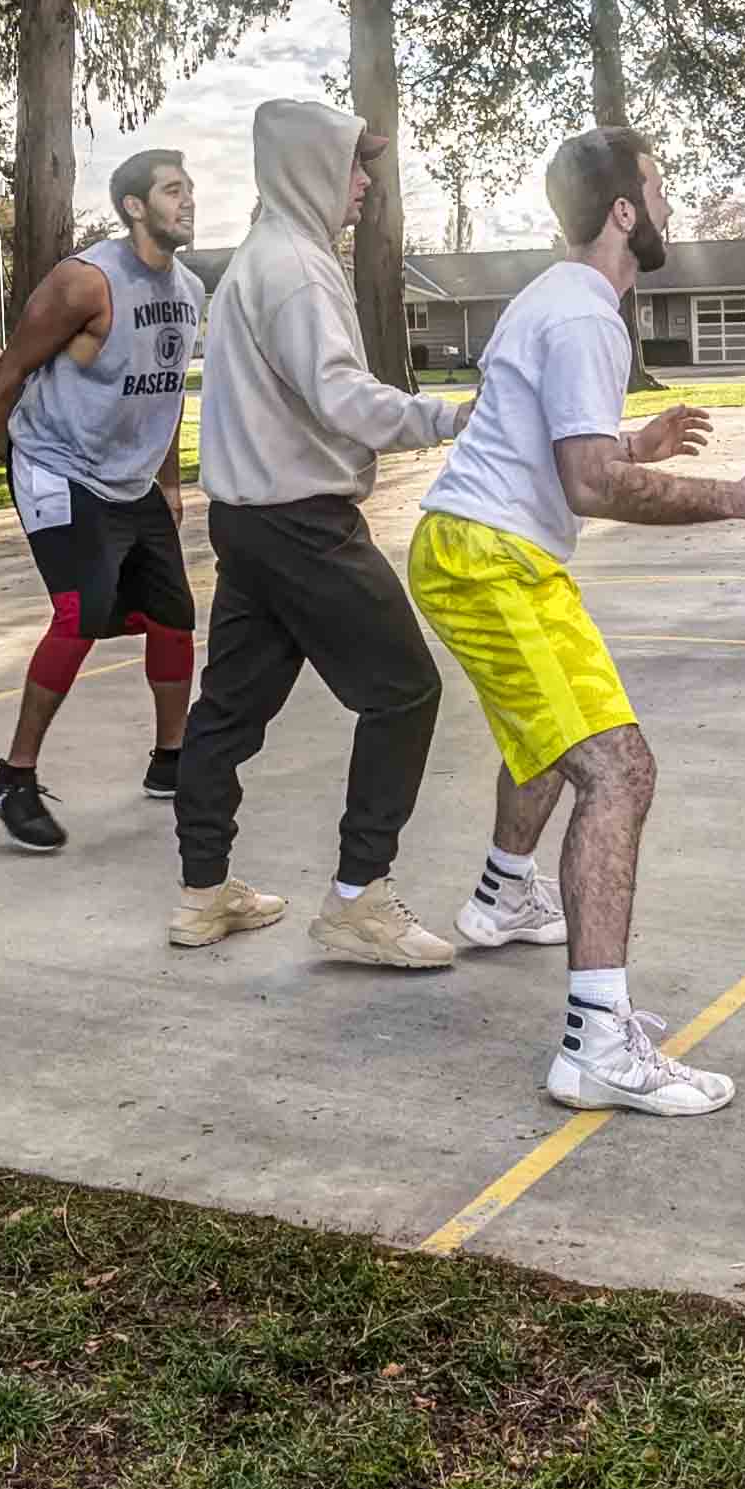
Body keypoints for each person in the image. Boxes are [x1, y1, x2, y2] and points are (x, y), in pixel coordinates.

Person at [412, 124, 745, 1115]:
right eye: (657, 187)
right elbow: (594, 483)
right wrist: (731, 497)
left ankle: (499, 896)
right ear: (622, 211)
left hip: (485, 551)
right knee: (617, 769)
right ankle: (595, 1044)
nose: (669, 204)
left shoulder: (567, 301)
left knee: (559, 739)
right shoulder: (582, 316)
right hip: (489, 560)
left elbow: (572, 444)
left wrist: (639, 436)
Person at [162, 99, 475, 966]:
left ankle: (201, 892)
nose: (367, 181)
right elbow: (344, 398)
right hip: (303, 525)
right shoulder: (295, 269)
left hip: (249, 523)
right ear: (308, 171)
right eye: (353, 165)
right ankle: (358, 899)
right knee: (404, 691)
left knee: (226, 713)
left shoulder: (261, 261)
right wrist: (455, 416)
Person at [0, 147, 207, 851]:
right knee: (79, 614)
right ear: (134, 207)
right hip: (55, 467)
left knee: (174, 618)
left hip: (130, 479)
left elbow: (167, 389)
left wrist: (170, 479)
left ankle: (171, 761)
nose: (188, 202)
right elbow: (7, 373)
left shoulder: (188, 290)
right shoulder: (85, 282)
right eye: (173, 191)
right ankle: (14, 777)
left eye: (189, 190)